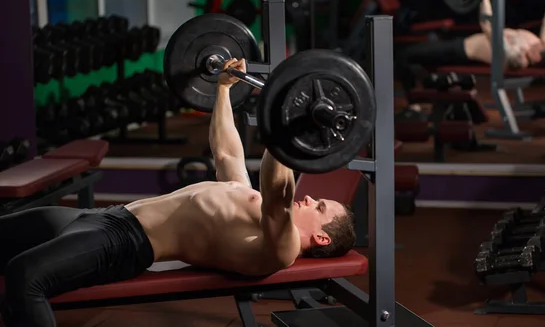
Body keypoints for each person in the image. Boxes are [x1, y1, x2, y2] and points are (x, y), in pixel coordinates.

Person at [0, 58, 356, 327]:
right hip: (101, 217)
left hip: (126, 241)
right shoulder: (251, 201)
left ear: (322, 238)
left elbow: (278, 189)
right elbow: (227, 153)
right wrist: (223, 88)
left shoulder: (282, 246)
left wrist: (287, 120)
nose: (310, 198)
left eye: (320, 206)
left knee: (25, 277)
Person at [395, 0, 545, 97]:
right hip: (462, 39)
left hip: (460, 52)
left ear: (538, 57)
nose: (544, 41)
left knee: (403, 54)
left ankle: (413, 103)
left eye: (544, 46)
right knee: (416, 53)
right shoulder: (541, 45)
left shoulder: (517, 57)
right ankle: (425, 88)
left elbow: (488, 26)